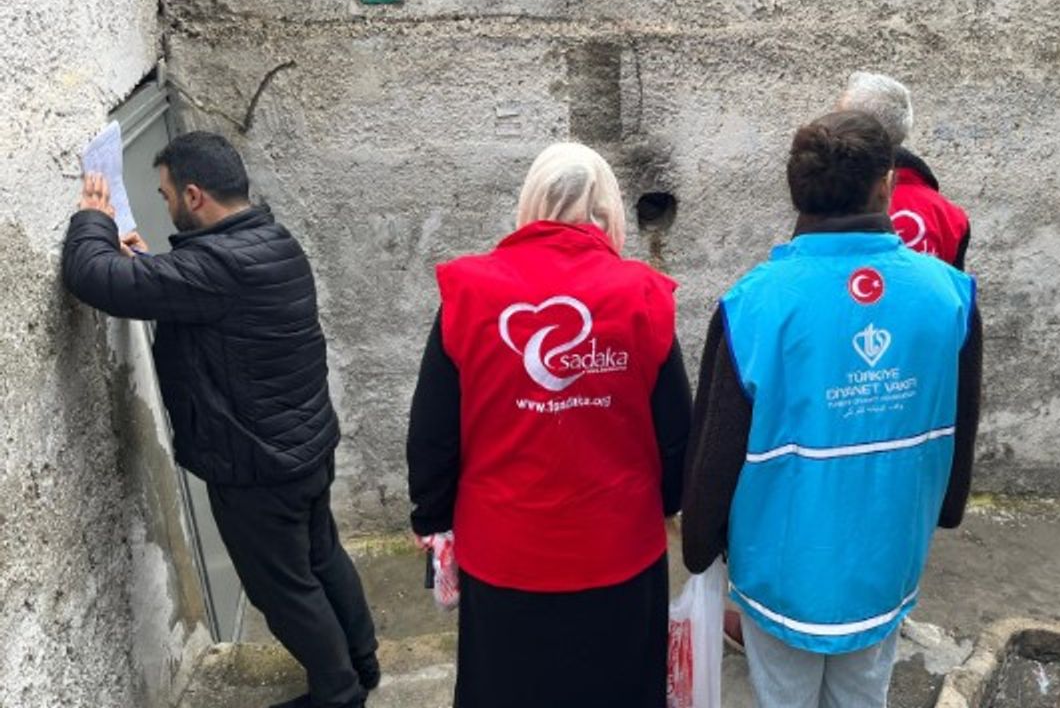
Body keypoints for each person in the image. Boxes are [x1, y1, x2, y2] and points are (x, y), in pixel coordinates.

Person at [62, 132, 378, 708]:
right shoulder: (272, 240)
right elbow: (205, 297)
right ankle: (362, 663)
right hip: (304, 448)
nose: (164, 206)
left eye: (164, 196)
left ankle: (339, 693)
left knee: (283, 588)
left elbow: (91, 277)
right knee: (321, 557)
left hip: (257, 467)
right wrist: (148, 266)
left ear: (194, 195)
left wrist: (93, 221)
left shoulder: (216, 266)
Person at [681, 111, 982, 708]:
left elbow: (716, 447)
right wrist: (947, 509)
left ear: (796, 189)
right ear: (886, 185)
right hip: (889, 557)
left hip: (780, 567)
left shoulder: (754, 303)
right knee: (864, 692)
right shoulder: (949, 294)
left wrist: (700, 543)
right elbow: (961, 420)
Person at [405, 142, 692, 708]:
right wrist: (664, 504)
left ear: (530, 202)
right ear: (609, 210)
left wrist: (432, 517)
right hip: (619, 552)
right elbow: (677, 436)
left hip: (503, 555)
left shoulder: (469, 292)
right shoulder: (641, 295)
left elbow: (432, 433)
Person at [837, 71, 972, 269]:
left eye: (839, 117)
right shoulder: (950, 217)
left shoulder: (830, 203)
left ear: (855, 130)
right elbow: (955, 287)